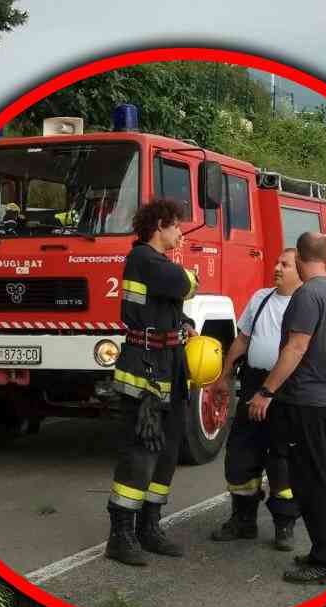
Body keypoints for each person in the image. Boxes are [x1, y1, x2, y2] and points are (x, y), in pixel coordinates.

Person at [246, 231, 326, 584]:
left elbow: (295, 348)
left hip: (307, 404)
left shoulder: (308, 295)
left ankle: (325, 560)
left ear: (302, 257)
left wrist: (266, 391)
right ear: (325, 255)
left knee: (311, 484)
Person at [104, 198, 197, 567]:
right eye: (176, 227)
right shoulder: (144, 258)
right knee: (140, 452)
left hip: (168, 364)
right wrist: (192, 281)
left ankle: (149, 526)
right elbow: (183, 283)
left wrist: (183, 321)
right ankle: (120, 535)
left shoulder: (154, 264)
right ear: (160, 225)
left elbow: (168, 301)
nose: (180, 233)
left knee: (168, 449)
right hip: (145, 369)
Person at [207, 248, 302, 551]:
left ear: (300, 270)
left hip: (286, 390)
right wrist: (224, 375)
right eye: (277, 262)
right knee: (241, 453)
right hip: (252, 383)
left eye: (284, 264)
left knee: (282, 459)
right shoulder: (261, 298)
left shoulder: (305, 303)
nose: (277, 268)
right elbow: (242, 339)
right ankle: (243, 520)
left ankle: (284, 525)